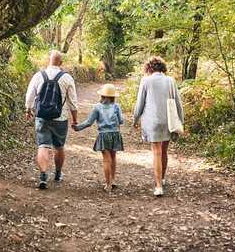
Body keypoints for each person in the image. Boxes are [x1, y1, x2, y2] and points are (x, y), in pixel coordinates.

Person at [25, 50, 78, 189]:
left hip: (42, 116)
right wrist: (75, 120)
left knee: (43, 145)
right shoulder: (67, 78)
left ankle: (43, 175)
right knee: (59, 147)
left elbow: (30, 94)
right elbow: (73, 101)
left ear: (48, 61)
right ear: (61, 63)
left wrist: (28, 109)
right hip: (60, 118)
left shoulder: (38, 75)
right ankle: (58, 173)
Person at [133, 56, 184, 197]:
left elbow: (140, 104)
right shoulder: (170, 80)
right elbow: (178, 103)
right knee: (164, 151)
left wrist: (135, 119)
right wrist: (181, 121)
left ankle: (159, 186)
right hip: (168, 121)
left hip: (152, 121)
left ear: (149, 68)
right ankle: (162, 178)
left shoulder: (146, 80)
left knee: (156, 152)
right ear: (163, 68)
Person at [72, 84, 124, 193]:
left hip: (103, 135)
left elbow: (89, 122)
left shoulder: (97, 107)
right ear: (113, 96)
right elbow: (121, 121)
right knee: (113, 157)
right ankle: (113, 180)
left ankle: (108, 184)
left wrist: (78, 128)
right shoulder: (116, 106)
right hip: (115, 134)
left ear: (102, 95)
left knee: (106, 160)